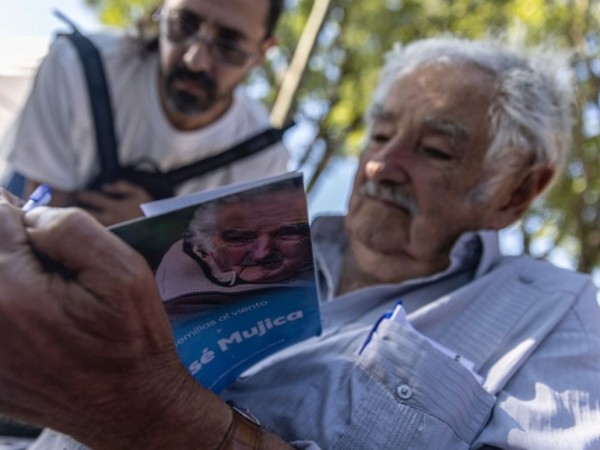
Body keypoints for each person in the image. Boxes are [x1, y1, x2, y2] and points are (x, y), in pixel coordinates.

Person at [0, 35, 599, 450]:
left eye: (435, 149)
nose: (378, 167)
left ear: (516, 192)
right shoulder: (242, 241)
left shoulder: (553, 311)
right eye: (380, 134)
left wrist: (146, 410)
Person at [0, 0, 289, 226]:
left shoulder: (263, 162)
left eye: (229, 46)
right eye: (184, 24)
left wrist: (152, 232)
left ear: (263, 52)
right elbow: (40, 221)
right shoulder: (75, 66)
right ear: (162, 9)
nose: (195, 60)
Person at [155, 178, 315, 313]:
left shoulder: (329, 270)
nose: (262, 253)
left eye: (287, 233)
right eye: (239, 238)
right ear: (206, 250)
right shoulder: (162, 299)